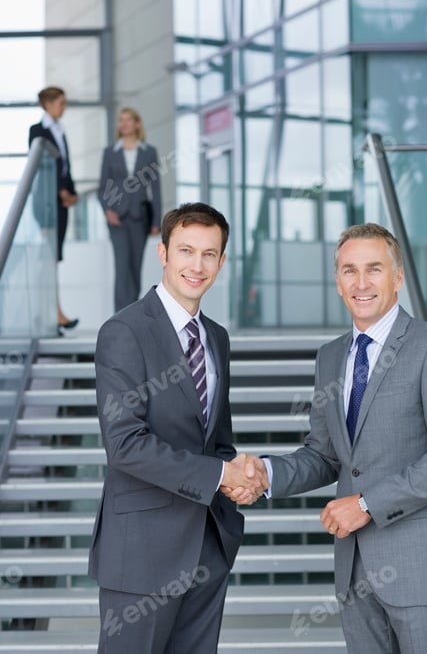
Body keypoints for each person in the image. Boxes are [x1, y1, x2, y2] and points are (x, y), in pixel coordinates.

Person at [228, 223, 427, 654]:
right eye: (349, 270)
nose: (361, 282)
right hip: (355, 572)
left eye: (374, 269)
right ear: (338, 281)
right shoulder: (331, 356)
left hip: (421, 570)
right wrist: (265, 473)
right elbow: (326, 455)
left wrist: (366, 505)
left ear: (397, 276)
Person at [88, 202, 269, 654]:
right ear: (163, 252)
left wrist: (241, 478)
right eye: (186, 250)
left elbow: (217, 440)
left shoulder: (217, 337)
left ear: (222, 262)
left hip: (207, 545)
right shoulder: (124, 332)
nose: (197, 265)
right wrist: (221, 476)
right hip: (142, 554)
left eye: (210, 254)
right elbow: (125, 445)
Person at [98, 107, 162, 311]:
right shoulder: (110, 152)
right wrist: (108, 210)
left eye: (128, 120)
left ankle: (132, 315)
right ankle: (120, 317)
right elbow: (103, 186)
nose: (123, 124)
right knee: (122, 268)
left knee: (135, 269)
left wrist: (156, 220)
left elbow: (156, 188)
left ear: (137, 124)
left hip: (139, 216)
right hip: (117, 217)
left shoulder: (149, 152)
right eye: (121, 120)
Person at [29, 86, 79, 331]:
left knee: (53, 258)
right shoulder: (37, 131)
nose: (64, 107)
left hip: (60, 202)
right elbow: (43, 166)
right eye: (61, 102)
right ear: (48, 104)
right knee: (47, 259)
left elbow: (65, 166)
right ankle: (49, 314)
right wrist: (61, 191)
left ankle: (52, 313)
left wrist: (73, 193)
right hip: (48, 202)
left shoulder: (60, 129)